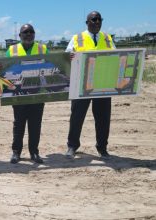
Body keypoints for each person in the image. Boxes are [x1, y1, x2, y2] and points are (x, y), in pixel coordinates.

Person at [65, 11, 115, 159]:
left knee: (103, 118)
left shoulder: (107, 38)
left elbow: (117, 55)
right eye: (94, 19)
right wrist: (69, 56)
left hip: (103, 83)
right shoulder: (77, 38)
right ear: (87, 22)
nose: (97, 22)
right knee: (77, 116)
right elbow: (67, 55)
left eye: (100, 19)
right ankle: (72, 146)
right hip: (81, 84)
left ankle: (102, 147)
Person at [5, 24, 48, 164]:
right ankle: (16, 152)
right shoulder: (11, 50)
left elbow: (51, 66)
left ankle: (34, 152)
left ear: (34, 34)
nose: (28, 34)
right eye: (25, 32)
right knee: (19, 125)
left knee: (35, 125)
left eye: (31, 32)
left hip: (37, 94)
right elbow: (5, 69)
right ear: (20, 35)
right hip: (18, 95)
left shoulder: (43, 48)